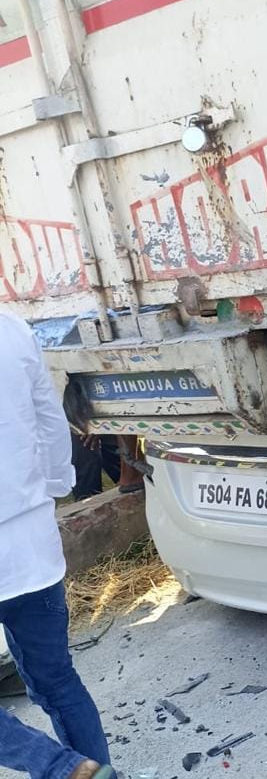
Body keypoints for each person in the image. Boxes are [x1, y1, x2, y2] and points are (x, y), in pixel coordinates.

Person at [0, 311, 116, 779]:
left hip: (29, 541)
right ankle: (96, 773)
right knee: (58, 680)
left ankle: (59, 766)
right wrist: (52, 488)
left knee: (56, 681)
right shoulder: (10, 326)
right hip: (31, 545)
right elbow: (48, 417)